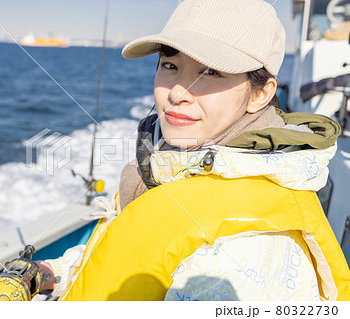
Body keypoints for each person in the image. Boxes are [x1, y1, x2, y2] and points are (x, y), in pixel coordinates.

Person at [38, 0, 350, 300]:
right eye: (170, 65)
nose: (177, 92)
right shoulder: (170, 161)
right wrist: (54, 271)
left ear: (260, 94)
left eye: (211, 71)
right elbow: (126, 250)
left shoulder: (249, 249)